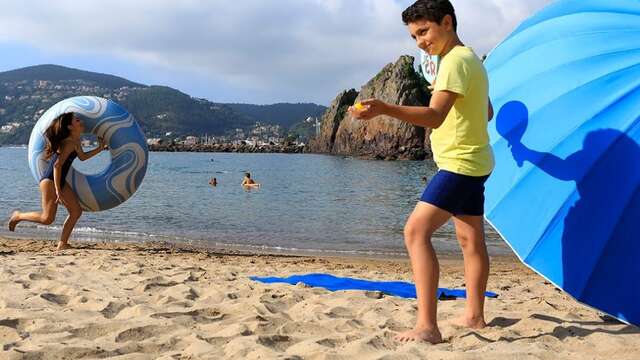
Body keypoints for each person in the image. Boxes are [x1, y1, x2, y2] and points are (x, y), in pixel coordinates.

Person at [349, 0, 494, 343]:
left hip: (460, 165)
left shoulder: (454, 61)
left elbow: (434, 117)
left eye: (424, 32)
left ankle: (428, 326)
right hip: (476, 161)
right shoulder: (470, 59)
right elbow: (486, 111)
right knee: (469, 239)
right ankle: (474, 316)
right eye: (414, 36)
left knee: (415, 232)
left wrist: (385, 108)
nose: (420, 42)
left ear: (447, 22)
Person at [7, 112, 107, 250]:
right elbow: (57, 165)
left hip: (59, 181)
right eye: (77, 120)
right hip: (50, 181)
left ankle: (62, 244)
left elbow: (82, 157)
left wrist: (100, 148)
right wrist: (58, 190)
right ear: (70, 127)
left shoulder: (75, 141)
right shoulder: (69, 143)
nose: (81, 122)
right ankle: (18, 216)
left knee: (76, 211)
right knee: (47, 219)